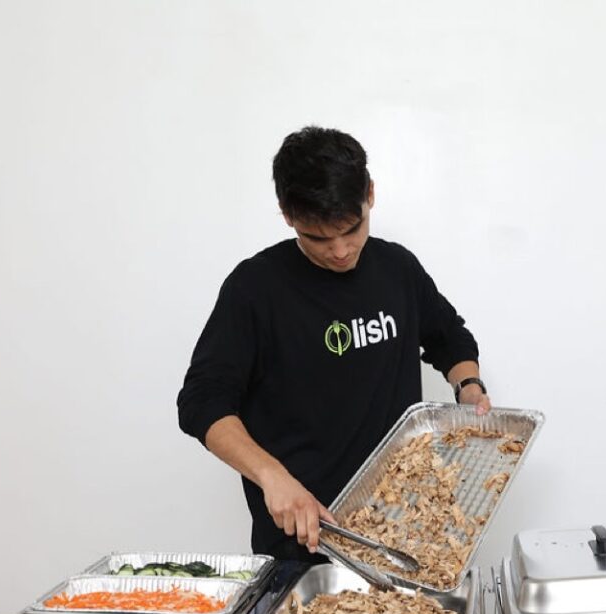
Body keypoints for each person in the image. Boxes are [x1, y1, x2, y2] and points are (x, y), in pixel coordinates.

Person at [177, 126, 491, 561]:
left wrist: (468, 386)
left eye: (352, 229)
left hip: (406, 537)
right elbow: (201, 402)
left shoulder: (398, 269)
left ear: (370, 195)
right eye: (319, 238)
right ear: (287, 215)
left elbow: (449, 337)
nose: (341, 250)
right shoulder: (254, 289)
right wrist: (272, 476)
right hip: (303, 546)